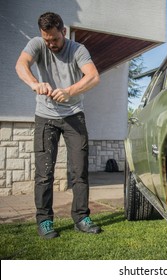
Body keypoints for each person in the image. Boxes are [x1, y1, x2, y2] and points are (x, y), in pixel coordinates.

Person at [15, 12, 101, 239]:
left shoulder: (78, 50)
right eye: (47, 40)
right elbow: (21, 64)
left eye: (54, 39)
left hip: (74, 116)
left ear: (63, 32)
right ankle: (44, 221)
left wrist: (69, 91)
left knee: (80, 171)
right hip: (45, 116)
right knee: (44, 173)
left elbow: (93, 76)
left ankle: (81, 218)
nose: (51, 44)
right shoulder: (37, 44)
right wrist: (35, 83)